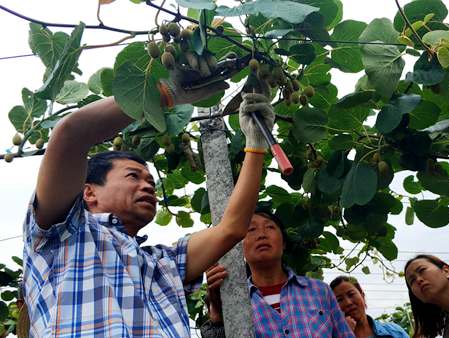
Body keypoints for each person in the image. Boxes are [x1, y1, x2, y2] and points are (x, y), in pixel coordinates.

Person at [22, 70, 276, 337]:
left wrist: (255, 145)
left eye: (151, 183)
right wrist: (164, 93)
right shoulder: (63, 234)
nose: (147, 186)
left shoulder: (163, 263)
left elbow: (231, 229)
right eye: (133, 176)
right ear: (88, 193)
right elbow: (71, 134)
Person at [202, 210, 355, 337]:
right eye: (251, 230)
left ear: (283, 243)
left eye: (269, 227)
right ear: (240, 248)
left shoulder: (320, 291)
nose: (261, 234)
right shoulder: (234, 300)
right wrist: (217, 319)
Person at [330, 276, 409, 338]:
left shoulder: (394, 332)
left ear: (362, 295)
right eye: (339, 300)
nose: (348, 303)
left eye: (351, 294)